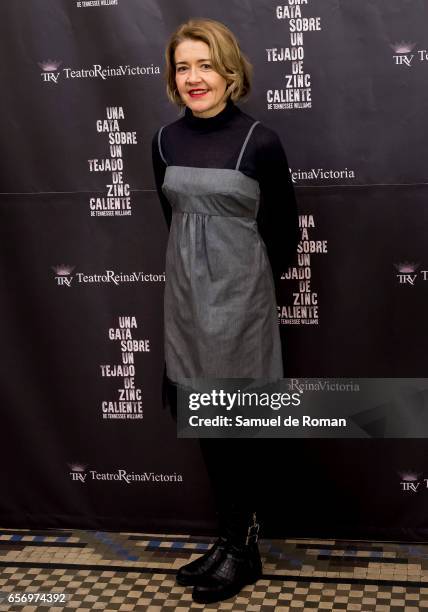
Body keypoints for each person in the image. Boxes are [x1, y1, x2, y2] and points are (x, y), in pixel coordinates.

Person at [151, 18, 299, 604]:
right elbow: (177, 224)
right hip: (185, 303)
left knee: (236, 428)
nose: (194, 78)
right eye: (183, 67)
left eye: (205, 64)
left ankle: (243, 550)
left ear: (229, 69)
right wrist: (198, 278)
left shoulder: (260, 140)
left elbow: (283, 235)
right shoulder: (163, 142)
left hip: (241, 306)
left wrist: (241, 288)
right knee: (208, 429)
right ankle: (229, 539)